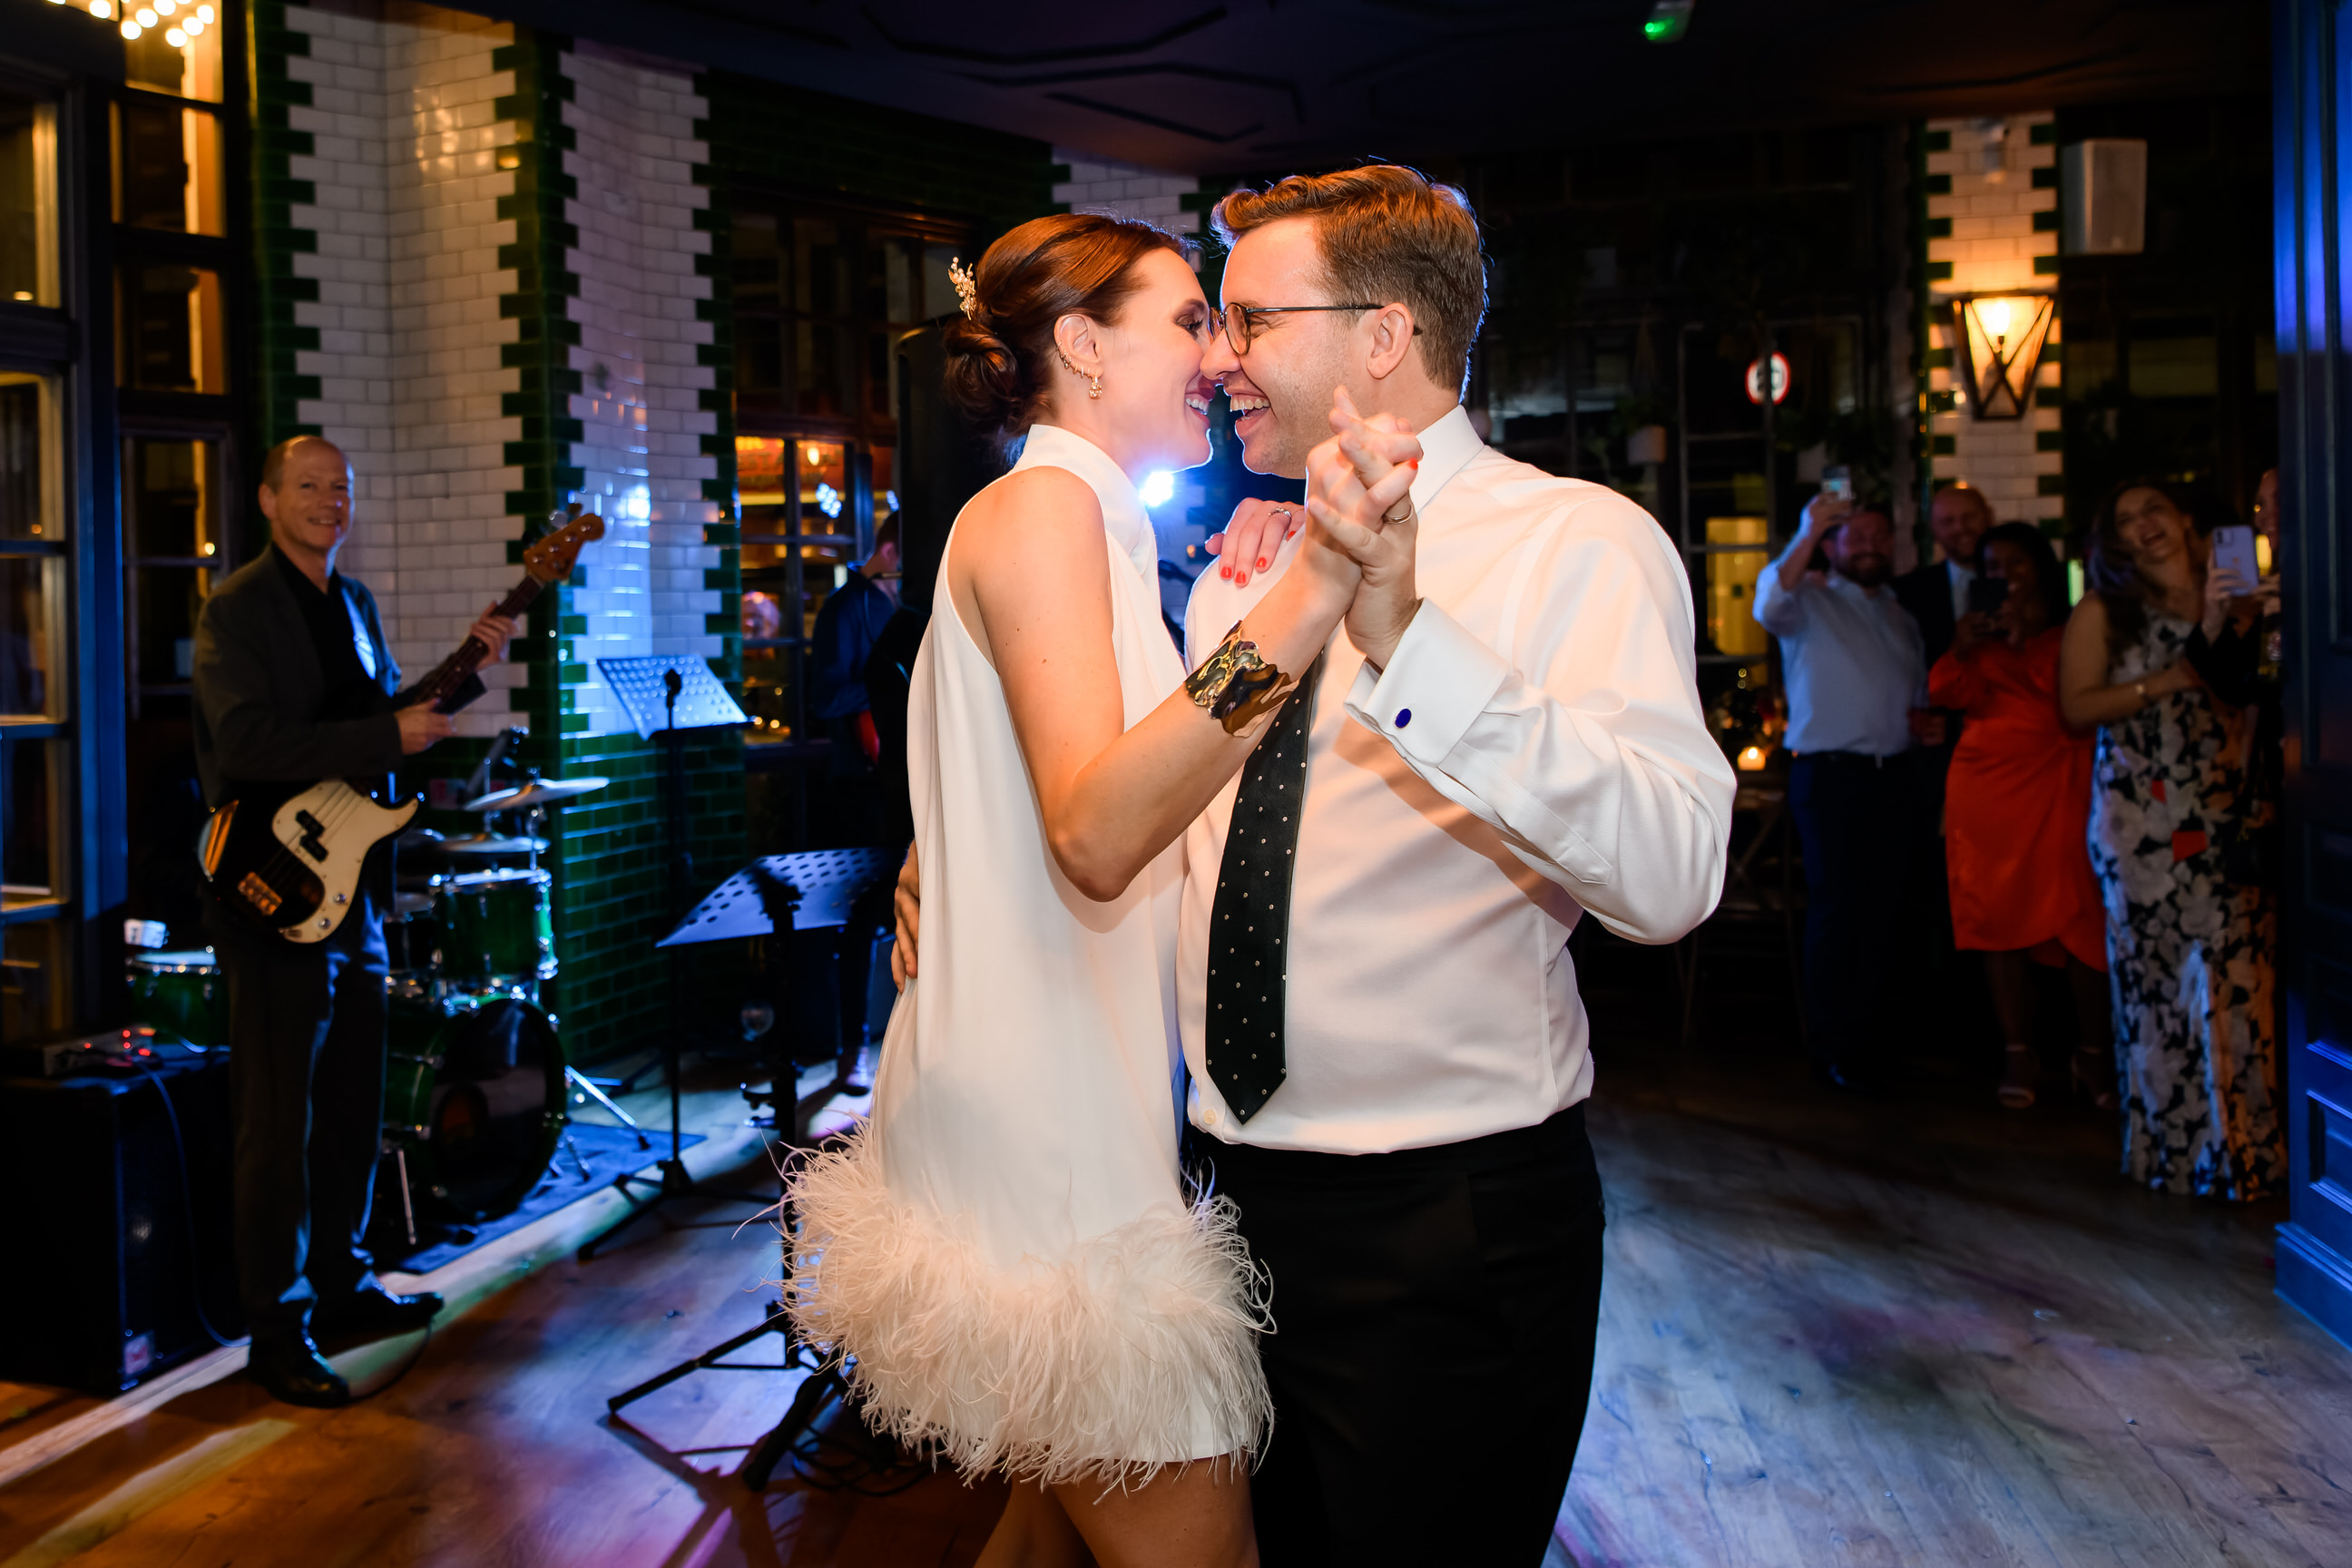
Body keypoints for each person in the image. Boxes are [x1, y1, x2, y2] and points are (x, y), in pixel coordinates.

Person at [784, 211, 1404, 1568]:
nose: (1220, 354)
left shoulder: (1088, 526)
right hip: (1051, 1139)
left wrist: (936, 852)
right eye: (1190, 320)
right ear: (1078, 342)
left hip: (1066, 1090)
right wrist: (1313, 592)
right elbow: (1099, 832)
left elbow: (1041, 792)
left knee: (1049, 1536)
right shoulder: (1046, 510)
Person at [1135, 163, 1733, 1563]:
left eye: (1248, 321)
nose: (1217, 361)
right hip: (1218, 1200)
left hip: (1445, 1226)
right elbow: (1178, 824)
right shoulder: (1243, 570)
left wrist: (1414, 642)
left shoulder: (1577, 544)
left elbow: (1670, 877)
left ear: (1384, 335)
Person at [191, 435, 516, 1406]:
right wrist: (388, 731)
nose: (328, 502)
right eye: (308, 487)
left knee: (348, 1111)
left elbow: (373, 725)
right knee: (276, 1121)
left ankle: (343, 1287)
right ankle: (275, 1330)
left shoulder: (356, 603)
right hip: (270, 896)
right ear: (266, 498)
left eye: (340, 489)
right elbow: (247, 743)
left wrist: (464, 667)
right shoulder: (236, 608)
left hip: (353, 892)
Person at [2057, 478, 2283, 1200]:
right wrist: (2170, 680)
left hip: (2229, 813)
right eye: (2126, 520)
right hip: (2145, 824)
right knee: (2161, 989)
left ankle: (2250, 1152)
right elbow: (2074, 708)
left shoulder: (2242, 599)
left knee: (2240, 981)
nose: (2144, 525)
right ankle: (2178, 1153)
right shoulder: (2106, 611)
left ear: (2186, 519)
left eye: (2153, 509)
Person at [1927, 522, 2109, 1110]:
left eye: (2014, 563)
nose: (2002, 574)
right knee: (1998, 915)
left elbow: (2076, 704)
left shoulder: (2073, 627)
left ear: (2042, 569)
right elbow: (1946, 694)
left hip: (2062, 777)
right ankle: (2017, 1050)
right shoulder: (1977, 635)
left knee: (2082, 917)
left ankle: (2092, 1054)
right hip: (1990, 786)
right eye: (1992, 564)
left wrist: (2027, 637)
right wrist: (1963, 647)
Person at [1752, 495, 1926, 1090]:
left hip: (1894, 776)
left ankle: (1871, 1037)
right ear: (1835, 546)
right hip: (1832, 777)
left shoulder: (1902, 617)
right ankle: (1833, 1046)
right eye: (1858, 536)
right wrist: (1808, 530)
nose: (1871, 544)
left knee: (1883, 911)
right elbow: (1769, 602)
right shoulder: (1811, 603)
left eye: (1881, 535)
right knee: (1837, 909)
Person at [1893, 481, 1993, 668]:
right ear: (1934, 531)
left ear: (1989, 516)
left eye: (1969, 517)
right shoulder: (1909, 593)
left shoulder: (2017, 581)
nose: (1960, 528)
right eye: (1948, 521)